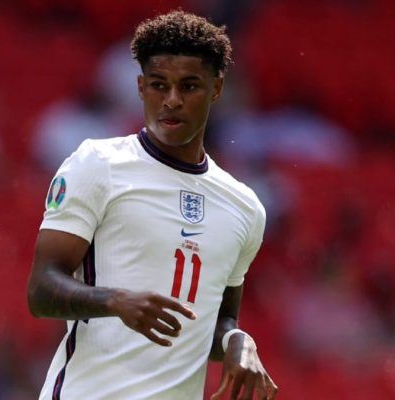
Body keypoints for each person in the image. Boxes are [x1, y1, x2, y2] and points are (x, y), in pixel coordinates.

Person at [27, 10, 278, 400]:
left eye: (189, 86)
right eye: (159, 85)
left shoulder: (244, 207)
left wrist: (238, 340)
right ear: (141, 87)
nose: (172, 100)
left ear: (216, 89)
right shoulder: (98, 164)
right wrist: (113, 300)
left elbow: (216, 321)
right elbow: (41, 290)